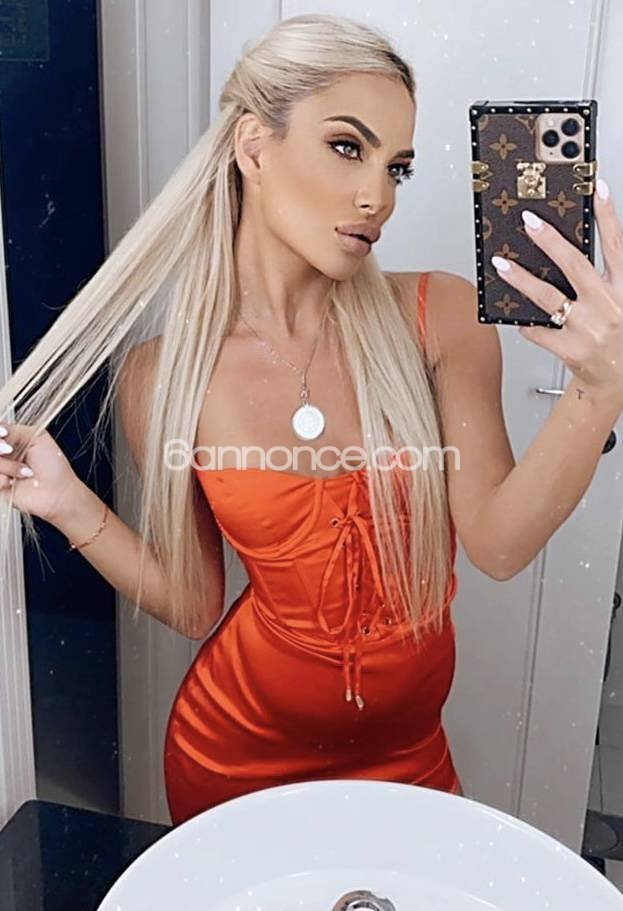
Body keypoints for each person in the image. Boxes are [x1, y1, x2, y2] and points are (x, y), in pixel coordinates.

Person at [1, 14, 622, 827]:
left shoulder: (438, 315)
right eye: (346, 146)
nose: (378, 197)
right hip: (234, 755)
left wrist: (596, 391)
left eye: (395, 166)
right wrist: (66, 502)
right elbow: (195, 604)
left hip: (408, 759)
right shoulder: (163, 375)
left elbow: (499, 545)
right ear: (254, 147)